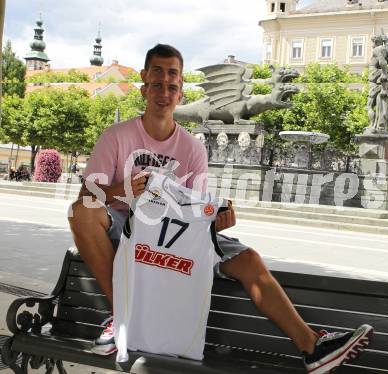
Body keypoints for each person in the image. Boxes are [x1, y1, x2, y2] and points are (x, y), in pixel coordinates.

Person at [68, 44, 372, 373]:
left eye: (173, 83)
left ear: (181, 91)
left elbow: (194, 209)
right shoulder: (117, 136)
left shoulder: (193, 148)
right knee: (80, 211)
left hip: (174, 235)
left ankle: (312, 347)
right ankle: (124, 317)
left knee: (250, 259)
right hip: (126, 229)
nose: (164, 91)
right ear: (144, 84)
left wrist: (215, 221)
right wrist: (121, 190)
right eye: (157, 81)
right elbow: (88, 193)